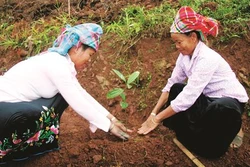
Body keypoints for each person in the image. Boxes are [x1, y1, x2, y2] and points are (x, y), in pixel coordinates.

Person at [0, 23, 132, 164]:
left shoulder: (62, 63)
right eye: (90, 54)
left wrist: (111, 118)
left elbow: (81, 94)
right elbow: (77, 101)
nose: (89, 60)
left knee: (57, 99)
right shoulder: (56, 64)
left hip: (10, 108)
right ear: (77, 48)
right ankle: (7, 151)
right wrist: (109, 126)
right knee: (34, 112)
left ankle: (33, 145)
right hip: (5, 109)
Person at [138, 6, 249, 158]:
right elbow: (171, 85)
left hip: (228, 105)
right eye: (175, 43)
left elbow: (189, 96)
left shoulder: (207, 58)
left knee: (220, 109)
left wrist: (157, 119)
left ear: (193, 37)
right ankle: (189, 135)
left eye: (179, 42)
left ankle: (226, 135)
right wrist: (153, 113)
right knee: (177, 88)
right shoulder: (184, 56)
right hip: (207, 101)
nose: (177, 47)